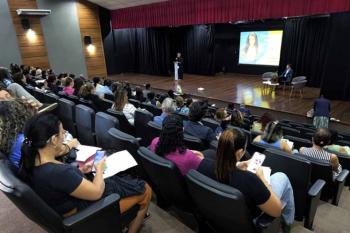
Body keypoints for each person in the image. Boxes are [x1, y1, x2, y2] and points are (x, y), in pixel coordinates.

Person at [19, 114, 151, 233]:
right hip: (86, 214)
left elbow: (59, 184)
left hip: (67, 207)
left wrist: (80, 171)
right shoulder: (58, 172)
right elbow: (97, 192)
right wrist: (99, 168)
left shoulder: (30, 162)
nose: (64, 136)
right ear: (53, 139)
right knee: (146, 190)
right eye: (62, 133)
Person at [199, 128, 295, 232]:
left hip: (218, 218)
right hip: (247, 222)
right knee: (281, 176)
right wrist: (262, 178)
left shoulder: (204, 164)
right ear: (240, 152)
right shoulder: (250, 180)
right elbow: (276, 211)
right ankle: (288, 223)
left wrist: (238, 164)